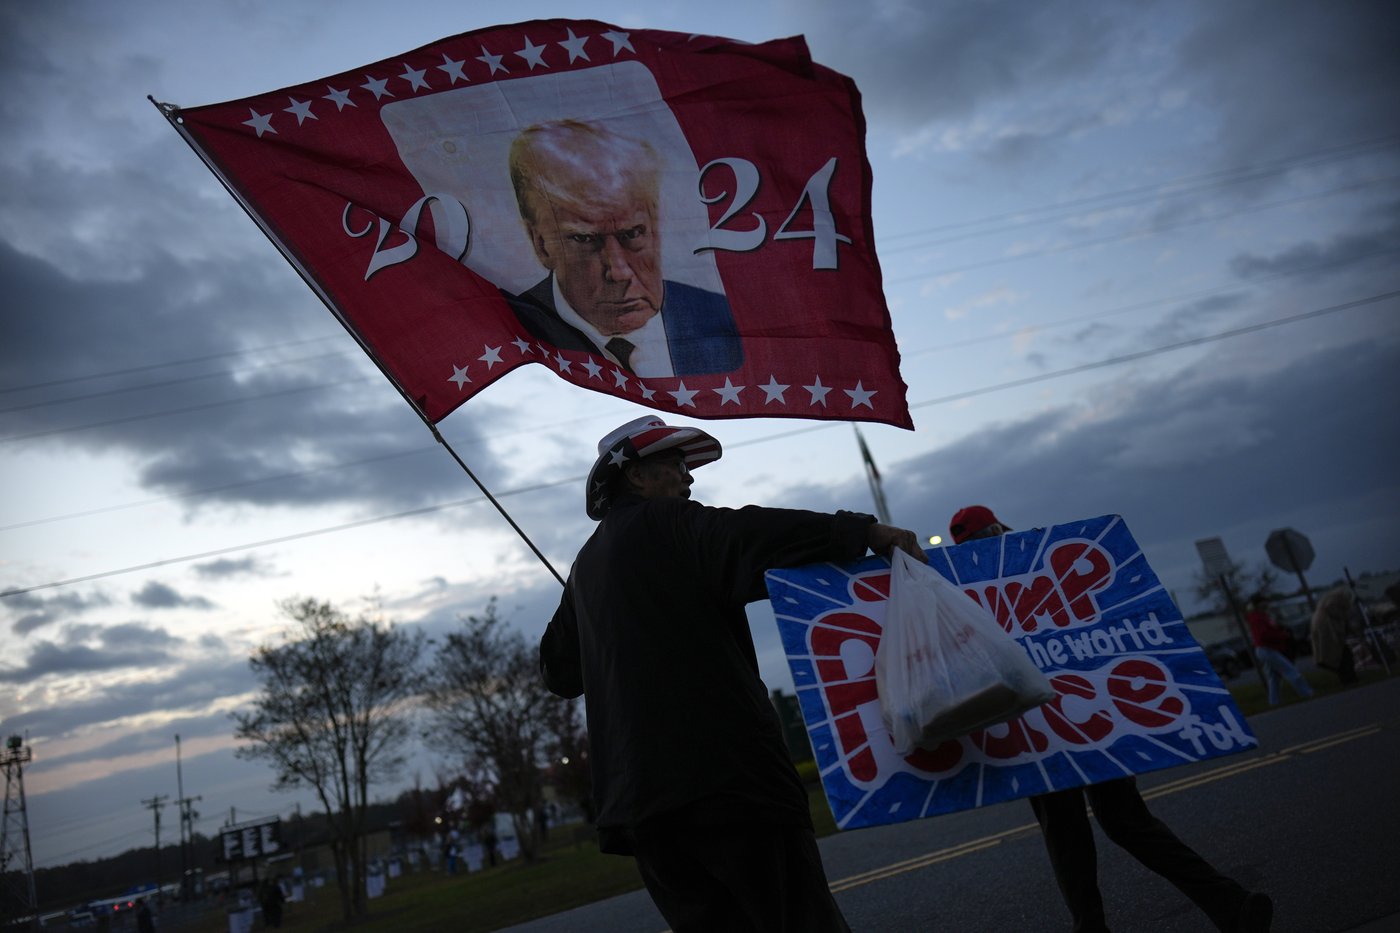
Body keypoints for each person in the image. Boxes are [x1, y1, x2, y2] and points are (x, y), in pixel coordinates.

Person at [540, 416, 924, 932]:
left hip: (644, 814)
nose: (689, 479)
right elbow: (752, 535)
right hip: (728, 787)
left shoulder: (585, 567)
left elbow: (557, 672)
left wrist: (588, 612)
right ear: (635, 476)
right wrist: (863, 531)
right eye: (677, 466)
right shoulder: (672, 523)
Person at [948, 505, 1273, 933]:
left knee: (1117, 824)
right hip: (1042, 725)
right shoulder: (971, 589)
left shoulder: (1032, 568)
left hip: (1088, 713)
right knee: (1078, 832)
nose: (984, 545)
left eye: (984, 536)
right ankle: (1209, 908)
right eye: (973, 544)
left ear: (997, 528)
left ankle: (1230, 906)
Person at [504, 120, 743, 377]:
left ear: (656, 226)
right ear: (540, 244)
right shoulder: (505, 331)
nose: (619, 272)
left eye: (632, 234)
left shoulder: (730, 322)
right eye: (585, 239)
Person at [1245, 594, 1314, 706]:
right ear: (1258, 604)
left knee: (1274, 678)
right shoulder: (1257, 618)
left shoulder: (1262, 616)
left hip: (1266, 649)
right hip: (1266, 649)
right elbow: (1263, 635)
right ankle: (1307, 693)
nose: (1267, 603)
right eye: (1264, 601)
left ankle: (1274, 702)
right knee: (1291, 671)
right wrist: (1282, 635)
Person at [1311, 587, 1358, 684]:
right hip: (1327, 628)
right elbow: (1332, 609)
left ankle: (1348, 677)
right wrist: (1345, 616)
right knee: (1341, 654)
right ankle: (1348, 678)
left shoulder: (1330, 599)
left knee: (1340, 654)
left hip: (1324, 627)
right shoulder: (1334, 602)